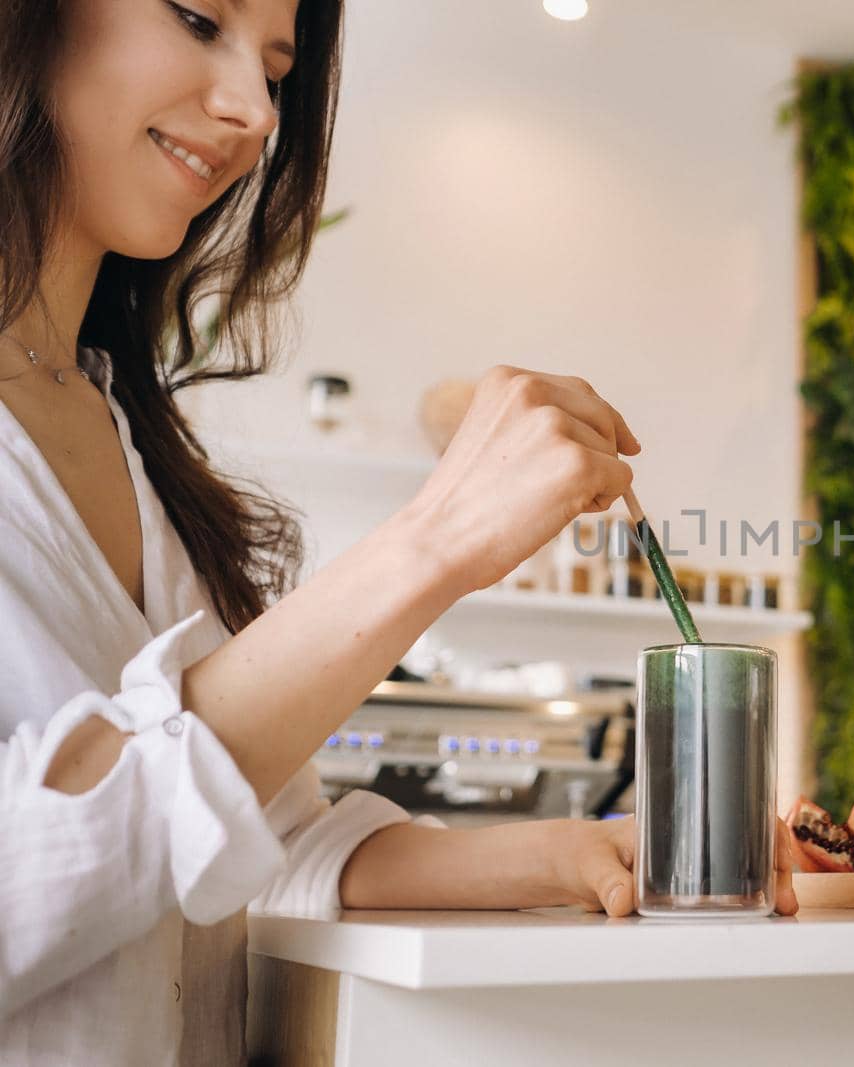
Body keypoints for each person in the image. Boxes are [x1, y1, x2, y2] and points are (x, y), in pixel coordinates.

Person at [0, 1, 794, 1063]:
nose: (248, 110)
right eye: (198, 18)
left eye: (277, 69)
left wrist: (574, 853)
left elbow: (255, 841)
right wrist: (432, 542)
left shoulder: (130, 441)